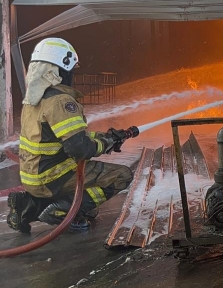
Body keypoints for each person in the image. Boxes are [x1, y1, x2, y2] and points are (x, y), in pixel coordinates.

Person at [7, 38, 133, 233]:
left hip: (32, 177)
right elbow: (80, 149)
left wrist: (101, 136)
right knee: (121, 175)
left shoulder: (33, 100)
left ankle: (28, 206)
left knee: (88, 205)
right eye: (71, 69)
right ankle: (64, 212)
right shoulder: (60, 101)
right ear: (60, 70)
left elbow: (64, 136)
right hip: (52, 178)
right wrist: (106, 142)